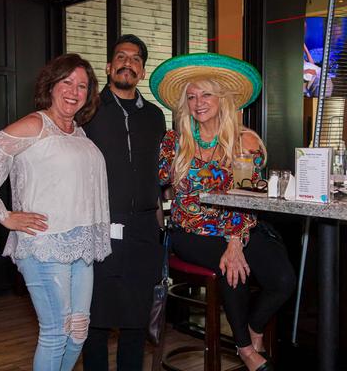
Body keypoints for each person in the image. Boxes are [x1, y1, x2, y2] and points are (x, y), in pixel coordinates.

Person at [0, 53, 111, 371]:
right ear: (51, 86)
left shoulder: (78, 131)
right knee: (55, 334)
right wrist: (4, 215)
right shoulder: (36, 124)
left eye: (82, 85)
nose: (74, 91)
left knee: (77, 333)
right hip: (44, 245)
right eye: (67, 82)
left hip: (80, 245)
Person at [150, 53, 296, 371]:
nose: (198, 102)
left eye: (206, 94)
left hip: (241, 225)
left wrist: (234, 239)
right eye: (191, 96)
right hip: (190, 230)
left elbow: (248, 197)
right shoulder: (174, 142)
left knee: (283, 279)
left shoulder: (244, 141)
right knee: (234, 272)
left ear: (222, 99)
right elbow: (157, 184)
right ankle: (244, 348)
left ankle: (255, 327)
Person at [82, 34, 166, 371]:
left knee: (136, 320)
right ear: (108, 66)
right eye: (121, 56)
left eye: (135, 59)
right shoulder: (88, 112)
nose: (127, 62)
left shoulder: (156, 117)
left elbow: (160, 175)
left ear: (142, 71)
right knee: (96, 319)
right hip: (100, 225)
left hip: (145, 229)